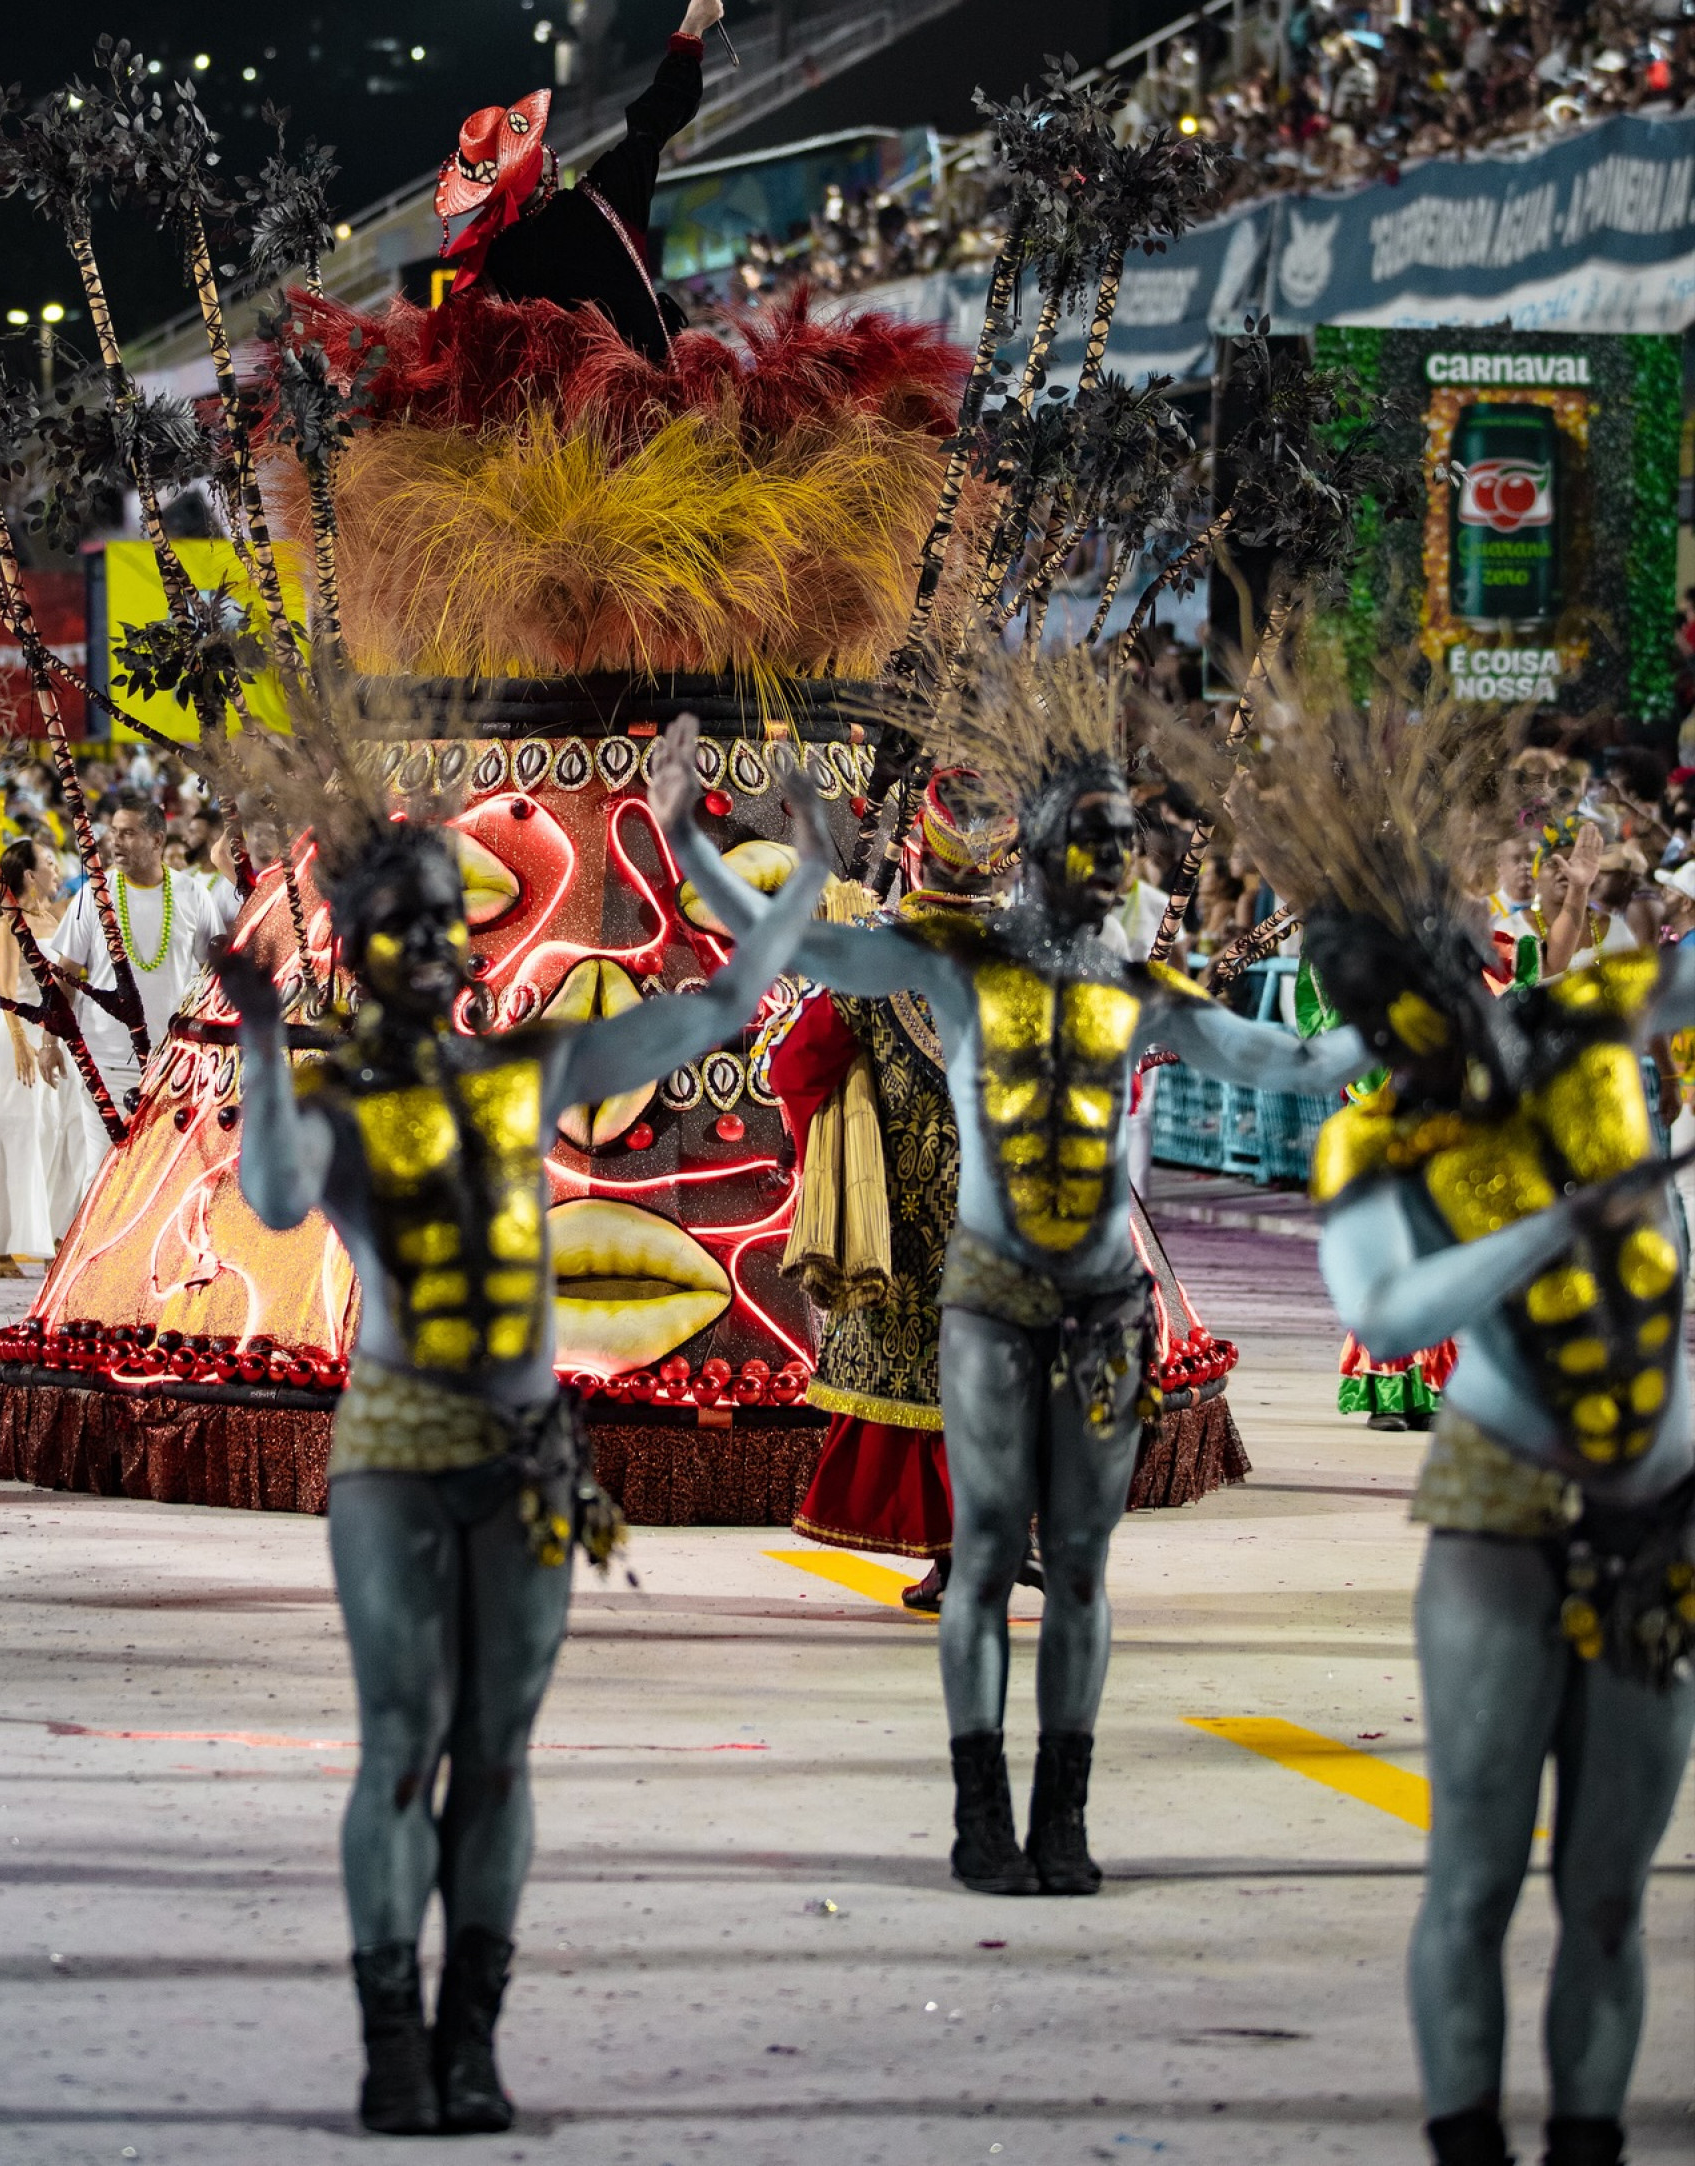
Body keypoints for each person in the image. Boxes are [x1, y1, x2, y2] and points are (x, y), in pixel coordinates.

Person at [662, 648, 1367, 1897]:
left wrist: (1400, 997)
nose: (1117, 860)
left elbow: (1292, 1066)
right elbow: (789, 953)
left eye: (1123, 839)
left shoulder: (1140, 991)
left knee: (1083, 1568)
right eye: (1094, 838)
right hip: (988, 1310)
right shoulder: (956, 969)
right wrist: (685, 840)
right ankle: (982, 1809)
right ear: (1038, 855)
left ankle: (1067, 1811)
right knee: (986, 1555)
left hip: (1105, 1317)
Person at [223, 702, 829, 2135]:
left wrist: (780, 867)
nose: (441, 950)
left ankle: (471, 2036)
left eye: (453, 924)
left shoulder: (528, 1073)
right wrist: (258, 1039)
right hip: (391, 1458)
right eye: (409, 928)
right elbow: (271, 1196)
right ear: (360, 942)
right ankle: (389, 2038)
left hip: (529, 1459)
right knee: (401, 1742)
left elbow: (726, 1001)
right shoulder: (343, 1103)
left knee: (496, 1753)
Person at [1227, 657, 1695, 2166]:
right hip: (1501, 1518)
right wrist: (1555, 1218)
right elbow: (1384, 1310)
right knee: (1481, 1871)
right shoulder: (1374, 1141)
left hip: (1659, 1518)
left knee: (1612, 1894)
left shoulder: (1594, 1024)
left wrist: (1640, 887)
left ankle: (1589, 2144)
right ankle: (1466, 2145)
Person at [770, 770, 1017, 1611]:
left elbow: (799, 1064)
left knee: (928, 1384)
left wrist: (832, 1157)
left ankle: (963, 1558)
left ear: (915, 858)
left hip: (913, 1216)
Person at [436, 0, 725, 361]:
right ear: (541, 173)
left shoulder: (492, 271)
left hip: (564, 420)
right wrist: (691, 30)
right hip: (658, 406)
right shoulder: (602, 199)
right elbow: (653, 123)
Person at [43, 791, 218, 1193]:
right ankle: (90, 1257)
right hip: (104, 1056)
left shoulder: (193, 895)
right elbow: (64, 977)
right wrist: (48, 1041)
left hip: (174, 1061)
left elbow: (213, 977)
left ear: (157, 840)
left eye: (128, 833)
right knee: (103, 1170)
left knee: (164, 1175)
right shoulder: (93, 897)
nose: (115, 842)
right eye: (114, 833)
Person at [0, 836, 77, 1277]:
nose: (57, 871)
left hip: (52, 1040)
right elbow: (5, 987)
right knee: (13, 1138)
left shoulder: (59, 917)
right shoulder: (11, 922)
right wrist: (20, 1043)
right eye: (49, 862)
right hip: (14, 1040)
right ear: (29, 874)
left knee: (57, 1136)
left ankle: (51, 1233)